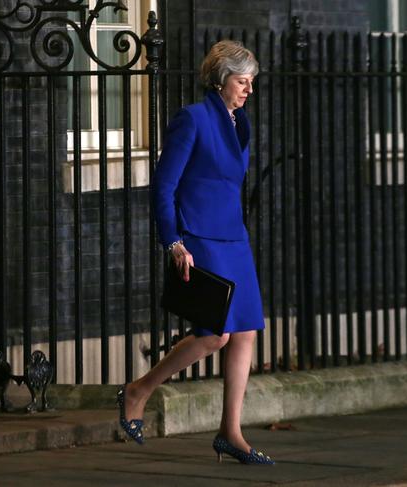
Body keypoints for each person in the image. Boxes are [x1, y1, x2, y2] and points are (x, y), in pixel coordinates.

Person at [116, 40, 274, 465]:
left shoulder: (241, 123)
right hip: (199, 238)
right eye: (243, 82)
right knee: (214, 335)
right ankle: (140, 390)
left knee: (245, 332)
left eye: (252, 83)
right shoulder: (192, 119)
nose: (248, 90)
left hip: (233, 237)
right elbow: (164, 186)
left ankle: (231, 432)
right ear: (222, 80)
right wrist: (174, 242)